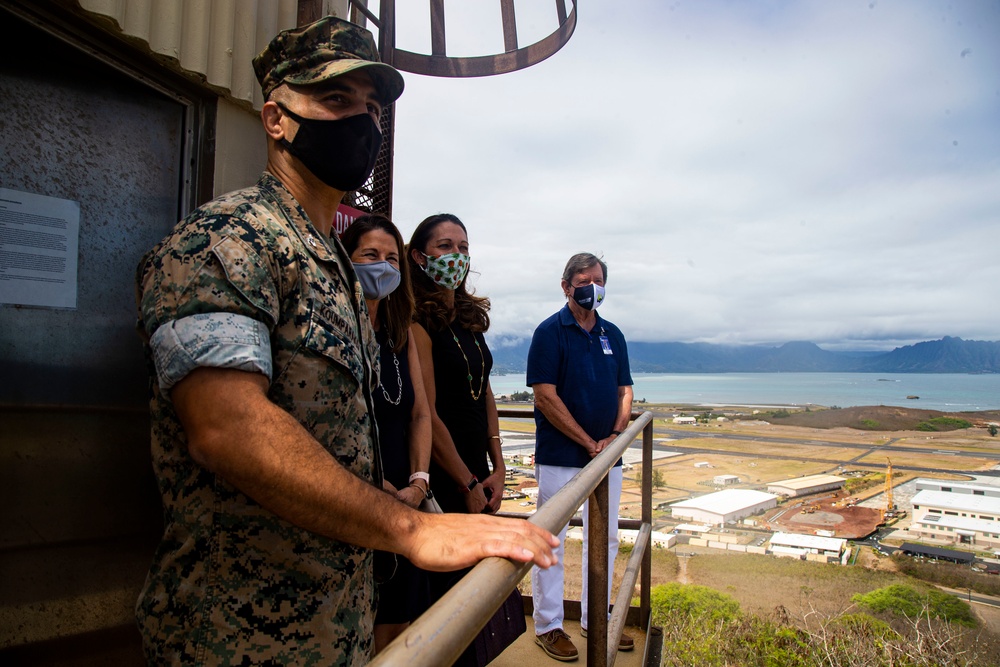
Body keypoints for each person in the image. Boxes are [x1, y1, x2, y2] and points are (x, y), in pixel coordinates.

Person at [134, 17, 557, 665]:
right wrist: (411, 527)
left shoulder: (332, 267)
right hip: (237, 635)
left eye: (371, 107)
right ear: (275, 118)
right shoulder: (227, 240)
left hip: (336, 624)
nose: (361, 121)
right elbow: (226, 427)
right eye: (335, 100)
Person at [526, 253, 635, 662]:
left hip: (608, 457)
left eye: (600, 280)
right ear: (566, 285)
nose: (594, 287)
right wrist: (590, 443)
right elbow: (544, 395)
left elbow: (625, 389)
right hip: (561, 456)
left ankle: (597, 618)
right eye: (586, 280)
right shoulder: (549, 332)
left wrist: (614, 435)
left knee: (604, 539)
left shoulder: (613, 334)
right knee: (551, 539)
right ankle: (549, 626)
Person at [339, 214, 433, 653]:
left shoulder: (400, 333)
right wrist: (369, 487)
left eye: (392, 258)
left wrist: (418, 482)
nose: (383, 266)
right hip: (352, 494)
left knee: (399, 620)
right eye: (370, 255)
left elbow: (419, 415)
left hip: (403, 498)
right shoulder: (334, 326)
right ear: (345, 258)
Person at [407, 214, 505, 518]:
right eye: (445, 246)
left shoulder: (468, 317)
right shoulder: (417, 323)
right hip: (446, 472)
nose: (457, 256)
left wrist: (498, 466)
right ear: (419, 257)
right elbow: (427, 413)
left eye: (463, 248)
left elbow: (484, 391)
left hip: (478, 469)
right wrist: (467, 483)